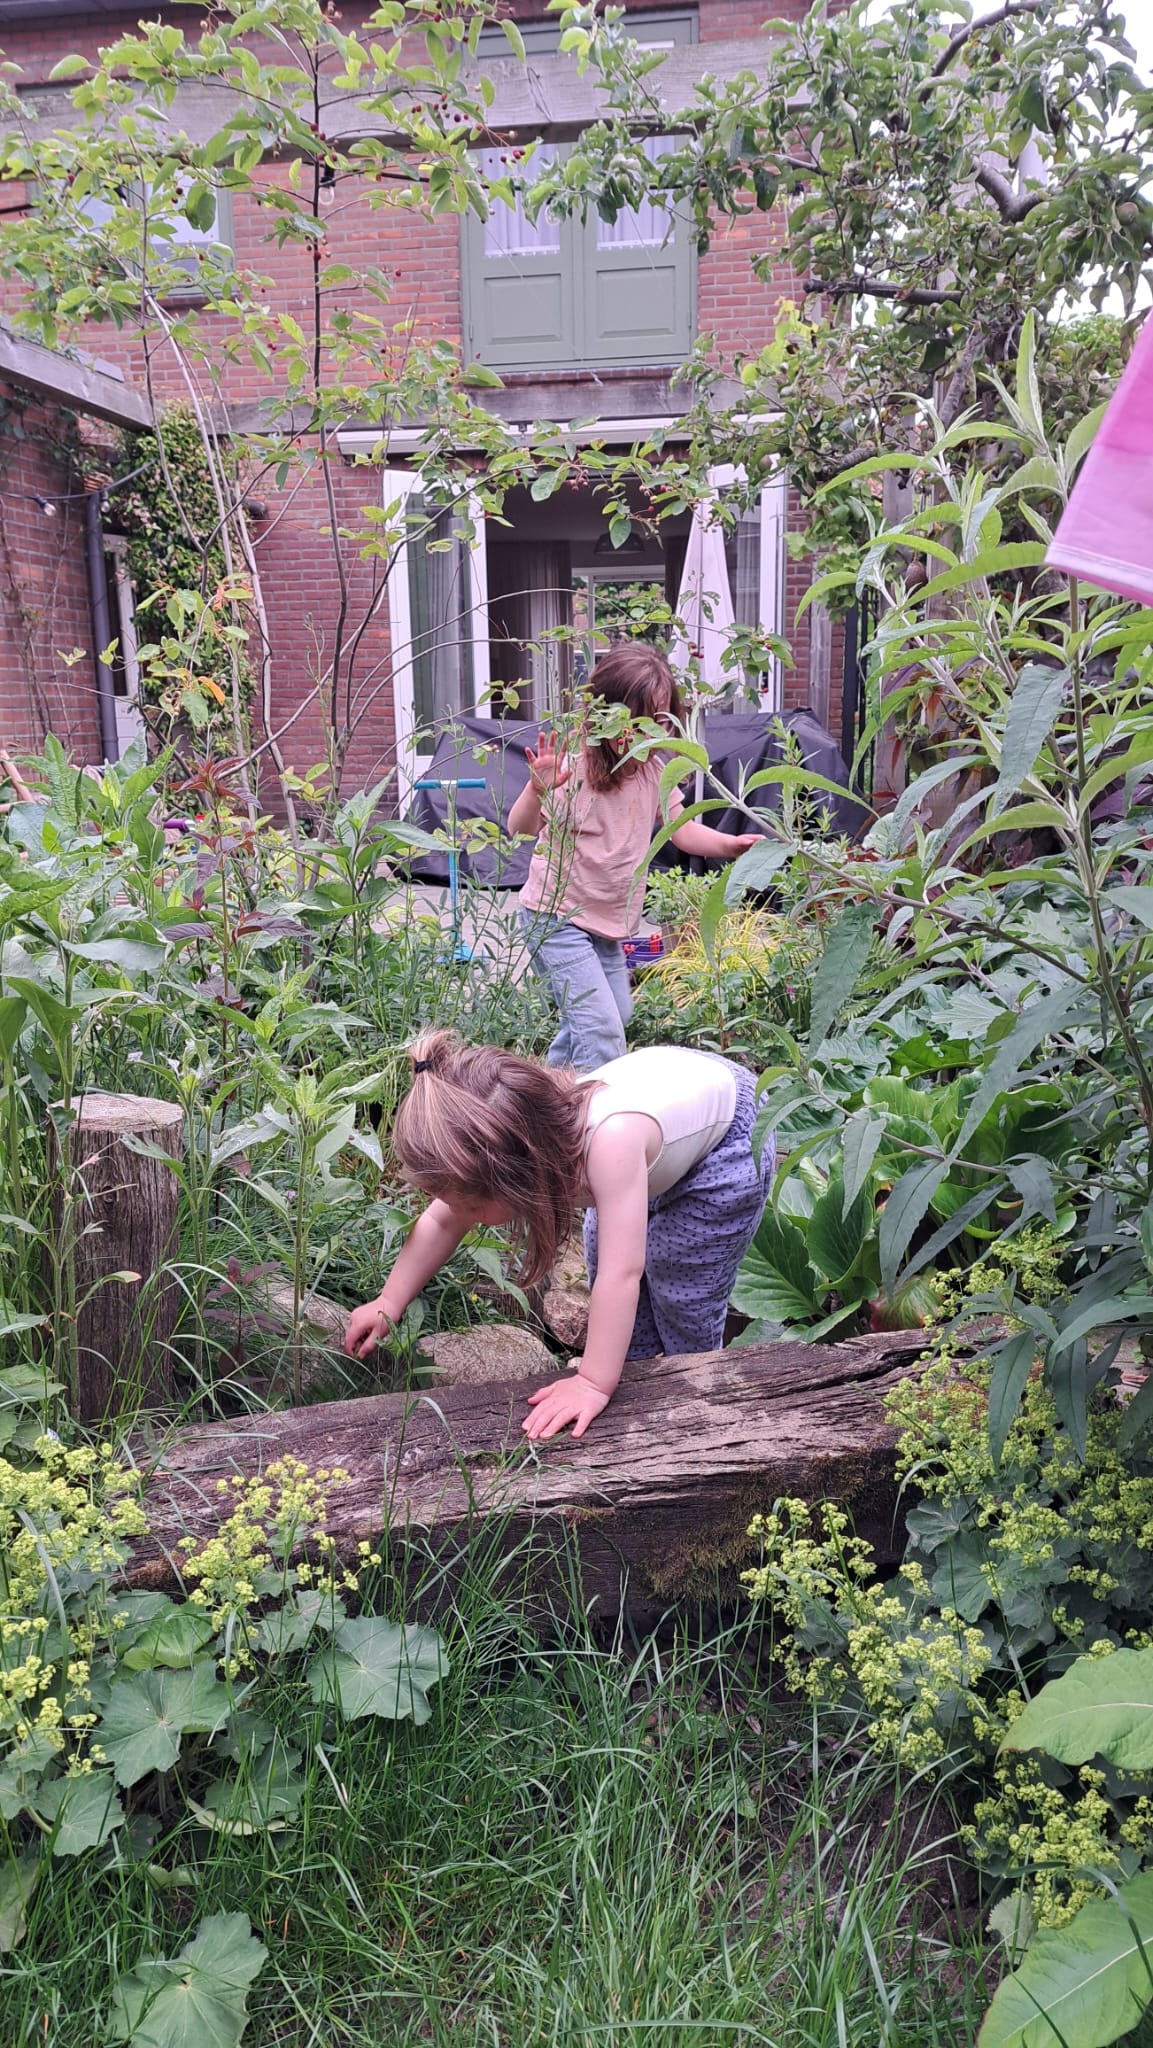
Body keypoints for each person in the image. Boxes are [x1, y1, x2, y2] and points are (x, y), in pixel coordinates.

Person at [343, 1032, 775, 1441]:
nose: (458, 1214)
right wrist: (389, 1301)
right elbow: (440, 1223)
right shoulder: (531, 1139)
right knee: (599, 1249)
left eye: (470, 1206)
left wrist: (590, 1381)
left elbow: (621, 1275)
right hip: (670, 1113)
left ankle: (693, 1383)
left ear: (516, 1177)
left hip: (730, 1139)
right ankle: (637, 1370)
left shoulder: (609, 1143)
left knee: (679, 1280)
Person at [508, 644, 761, 1071]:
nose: (647, 733)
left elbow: (681, 829)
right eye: (635, 721)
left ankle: (546, 1091)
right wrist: (536, 789)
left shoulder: (653, 772)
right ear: (604, 717)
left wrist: (728, 844)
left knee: (612, 1017)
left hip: (607, 926)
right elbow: (521, 828)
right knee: (602, 1031)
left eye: (659, 720)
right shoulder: (574, 771)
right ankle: (589, 1120)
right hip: (556, 919)